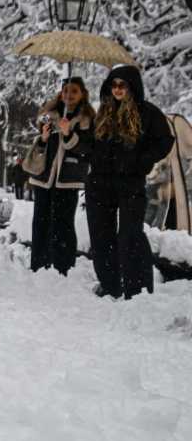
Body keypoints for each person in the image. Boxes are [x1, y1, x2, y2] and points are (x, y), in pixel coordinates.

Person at [86, 65, 174, 299]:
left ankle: (138, 289)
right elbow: (89, 144)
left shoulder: (147, 113)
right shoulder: (102, 113)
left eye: (121, 85)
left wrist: (141, 161)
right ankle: (110, 284)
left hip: (130, 183)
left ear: (132, 86)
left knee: (130, 235)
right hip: (100, 183)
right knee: (101, 236)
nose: (117, 89)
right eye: (113, 85)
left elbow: (165, 141)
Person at [26, 78, 94, 275]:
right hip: (44, 177)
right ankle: (39, 264)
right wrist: (44, 138)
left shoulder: (86, 119)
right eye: (65, 91)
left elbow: (86, 149)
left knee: (63, 223)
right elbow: (40, 142)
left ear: (82, 94)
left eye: (74, 91)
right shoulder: (49, 115)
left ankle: (63, 266)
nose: (68, 95)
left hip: (68, 179)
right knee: (40, 220)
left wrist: (68, 134)